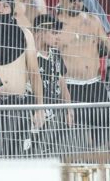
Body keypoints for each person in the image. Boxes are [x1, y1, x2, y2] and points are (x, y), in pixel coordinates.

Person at [54, 0, 110, 147]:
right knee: (77, 139)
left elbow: (109, 45)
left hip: (94, 85)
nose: (77, 3)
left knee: (105, 134)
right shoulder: (55, 24)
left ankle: (103, 170)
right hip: (71, 87)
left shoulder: (93, 21)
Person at [0, 0, 45, 156]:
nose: (1, 10)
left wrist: (39, 108)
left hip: (18, 105)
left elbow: (34, 74)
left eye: (5, 6)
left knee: (17, 156)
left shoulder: (25, 34)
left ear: (12, 9)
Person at [33, 13, 74, 155]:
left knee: (52, 154)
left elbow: (63, 84)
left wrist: (69, 110)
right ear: (40, 31)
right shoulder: (30, 55)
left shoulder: (56, 54)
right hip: (36, 114)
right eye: (53, 32)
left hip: (56, 114)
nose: (58, 37)